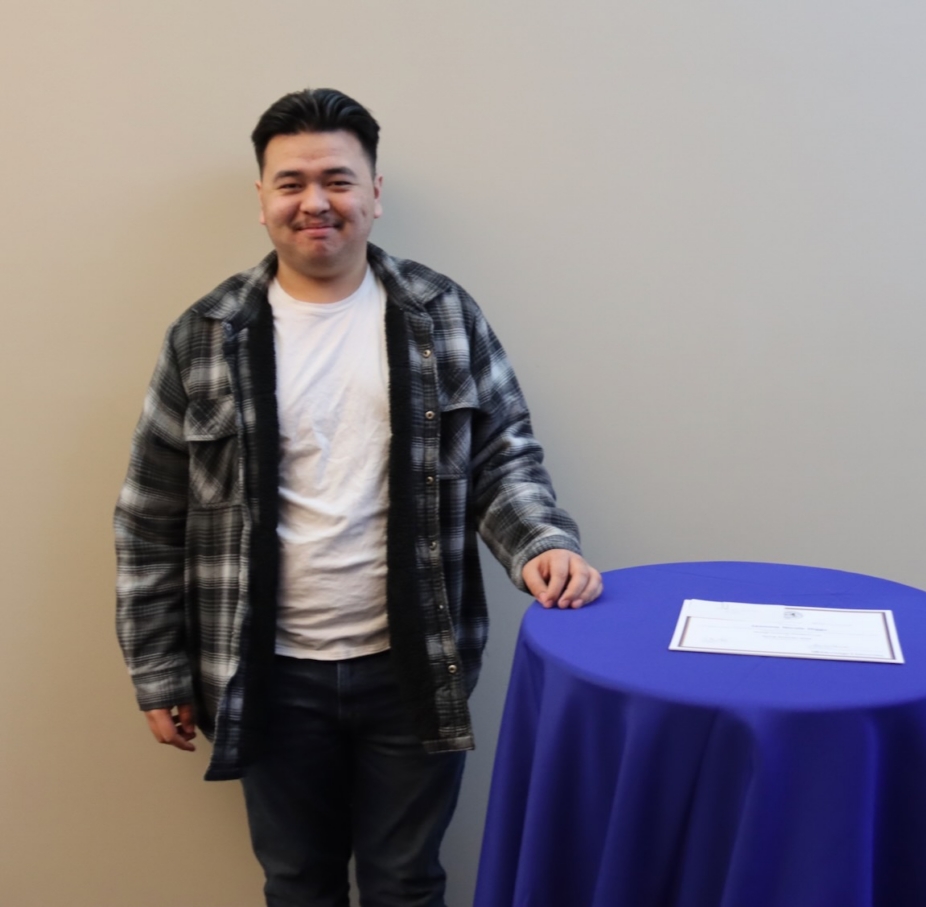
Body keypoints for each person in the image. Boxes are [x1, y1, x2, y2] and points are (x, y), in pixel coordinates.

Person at [114, 87, 602, 907]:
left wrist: (541, 543)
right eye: (292, 182)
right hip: (268, 674)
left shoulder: (442, 315)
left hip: (413, 665)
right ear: (263, 199)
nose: (316, 201)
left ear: (374, 193)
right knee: (297, 883)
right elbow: (149, 516)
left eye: (338, 180)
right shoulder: (206, 335)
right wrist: (159, 667)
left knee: (406, 883)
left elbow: (502, 457)